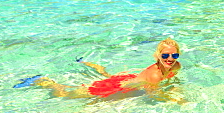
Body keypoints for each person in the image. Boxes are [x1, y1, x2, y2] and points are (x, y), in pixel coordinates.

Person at [21, 39, 182, 100]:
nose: (170, 59)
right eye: (165, 55)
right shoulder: (154, 74)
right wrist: (177, 100)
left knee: (107, 74)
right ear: (157, 56)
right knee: (70, 93)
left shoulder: (176, 65)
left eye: (174, 55)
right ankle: (42, 81)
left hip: (131, 79)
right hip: (120, 86)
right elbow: (154, 95)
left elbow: (170, 78)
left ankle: (85, 62)